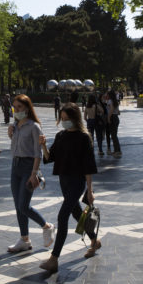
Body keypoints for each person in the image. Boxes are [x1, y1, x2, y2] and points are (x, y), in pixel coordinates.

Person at [38, 103, 100, 272]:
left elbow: (88, 166)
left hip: (77, 182)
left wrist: (89, 190)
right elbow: (50, 157)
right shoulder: (61, 136)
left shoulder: (84, 137)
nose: (64, 121)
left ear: (75, 119)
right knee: (76, 213)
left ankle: (54, 258)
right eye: (62, 118)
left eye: (67, 119)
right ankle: (94, 240)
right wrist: (43, 145)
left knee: (62, 216)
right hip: (64, 180)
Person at [6, 94, 55, 253]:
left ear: (27, 108)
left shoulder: (34, 126)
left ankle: (46, 226)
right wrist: (10, 134)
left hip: (28, 167)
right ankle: (24, 239)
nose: (16, 110)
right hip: (15, 166)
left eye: (19, 107)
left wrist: (34, 173)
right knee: (17, 206)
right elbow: (15, 147)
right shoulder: (15, 125)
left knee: (23, 205)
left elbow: (37, 153)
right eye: (15, 107)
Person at [106, 90, 122, 157]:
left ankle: (117, 151)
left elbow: (111, 109)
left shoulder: (110, 101)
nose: (107, 95)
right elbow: (118, 112)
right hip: (116, 118)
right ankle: (117, 150)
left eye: (108, 94)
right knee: (114, 135)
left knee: (113, 135)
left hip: (112, 117)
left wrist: (108, 118)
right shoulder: (116, 101)